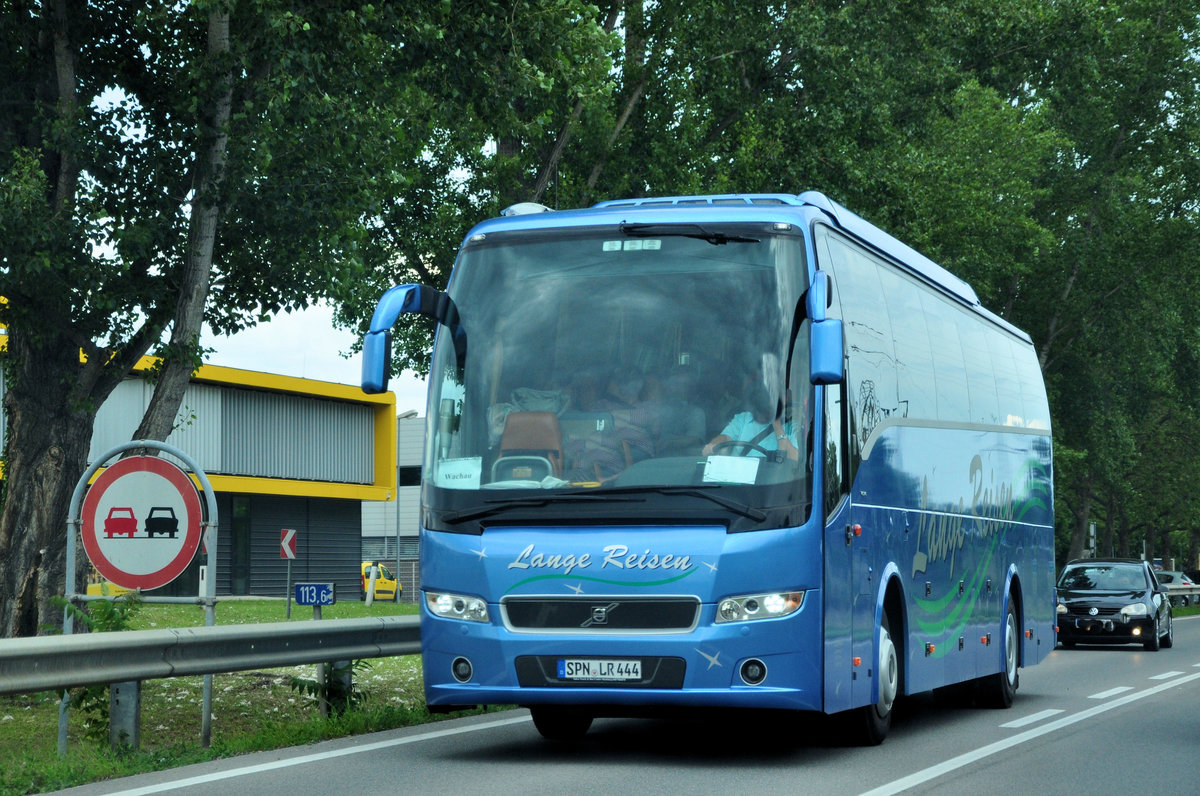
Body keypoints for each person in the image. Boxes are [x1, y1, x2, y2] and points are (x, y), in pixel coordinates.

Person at [702, 383, 798, 461]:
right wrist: (713, 445)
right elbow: (725, 437)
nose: (767, 401)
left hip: (772, 481)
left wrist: (777, 426)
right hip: (738, 480)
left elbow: (793, 459)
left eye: (773, 397)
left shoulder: (791, 426)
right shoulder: (743, 419)